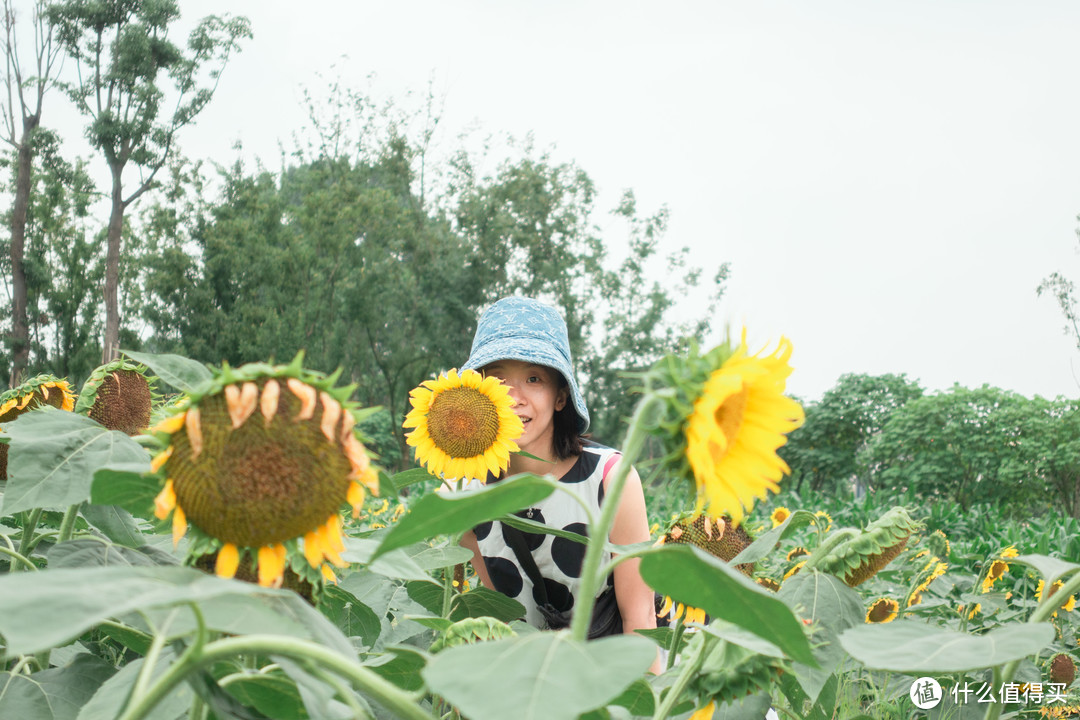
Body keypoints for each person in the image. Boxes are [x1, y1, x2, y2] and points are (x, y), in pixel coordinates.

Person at [457, 296, 660, 672]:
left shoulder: (610, 479)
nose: (513, 397)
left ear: (561, 396)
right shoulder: (467, 497)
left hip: (618, 674)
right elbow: (504, 622)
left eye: (534, 379)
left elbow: (641, 621)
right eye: (498, 379)